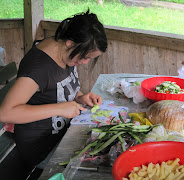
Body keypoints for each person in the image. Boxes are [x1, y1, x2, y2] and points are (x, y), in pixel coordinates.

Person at [0, 9, 107, 178]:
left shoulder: (64, 52)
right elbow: (6, 112)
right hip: (41, 148)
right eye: (85, 56)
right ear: (70, 43)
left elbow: (59, 88)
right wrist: (59, 109)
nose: (85, 63)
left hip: (61, 135)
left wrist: (80, 97)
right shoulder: (39, 68)